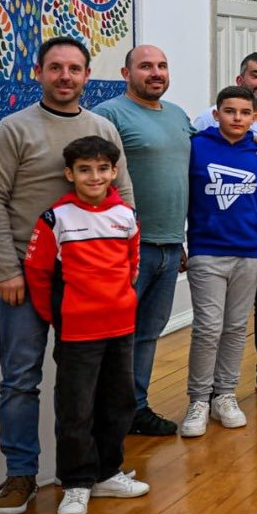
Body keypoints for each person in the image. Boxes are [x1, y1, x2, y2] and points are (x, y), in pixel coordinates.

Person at [0, 36, 134, 514]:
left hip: (91, 285)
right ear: (38, 72)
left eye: (75, 68)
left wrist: (121, 274)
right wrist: (7, 269)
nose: (65, 76)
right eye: (56, 68)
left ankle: (94, 473)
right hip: (26, 275)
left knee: (95, 383)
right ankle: (20, 474)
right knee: (21, 379)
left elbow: (123, 199)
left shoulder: (102, 126)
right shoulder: (13, 129)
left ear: (87, 75)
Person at [23, 136, 151, 514]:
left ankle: (108, 473)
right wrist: (58, 317)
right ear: (70, 173)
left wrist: (123, 299)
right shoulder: (56, 218)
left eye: (101, 169)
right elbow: (38, 272)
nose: (94, 177)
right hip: (78, 331)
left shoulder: (125, 215)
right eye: (84, 169)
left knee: (118, 402)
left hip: (121, 326)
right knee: (76, 407)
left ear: (114, 172)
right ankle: (76, 483)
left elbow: (132, 263)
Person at [94, 45, 194, 437]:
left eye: (162, 66)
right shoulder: (109, 115)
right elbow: (94, 178)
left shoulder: (177, 116)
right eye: (146, 66)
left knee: (149, 333)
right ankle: (105, 413)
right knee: (116, 335)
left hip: (170, 246)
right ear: (126, 72)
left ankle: (135, 407)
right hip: (127, 249)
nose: (156, 72)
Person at [193, 52, 257, 398]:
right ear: (241, 79)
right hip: (218, 236)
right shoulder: (206, 122)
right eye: (256, 75)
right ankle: (208, 391)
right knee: (213, 321)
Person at [181, 86, 257, 437]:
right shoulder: (196, 147)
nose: (236, 118)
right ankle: (198, 399)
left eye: (244, 112)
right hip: (207, 251)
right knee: (208, 327)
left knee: (237, 327)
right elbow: (183, 197)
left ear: (254, 117)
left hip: (251, 254)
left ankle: (225, 394)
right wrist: (181, 241)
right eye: (229, 111)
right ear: (216, 114)